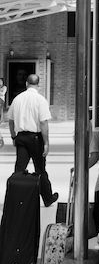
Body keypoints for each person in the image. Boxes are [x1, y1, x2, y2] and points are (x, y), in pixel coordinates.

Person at [7, 73, 58, 207]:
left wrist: (13, 136)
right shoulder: (41, 100)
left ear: (26, 84)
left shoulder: (17, 99)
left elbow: (11, 121)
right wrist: (46, 142)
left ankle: (14, 199)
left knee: (19, 169)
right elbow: (43, 123)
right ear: (38, 85)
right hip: (36, 139)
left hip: (21, 137)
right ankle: (47, 198)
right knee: (40, 169)